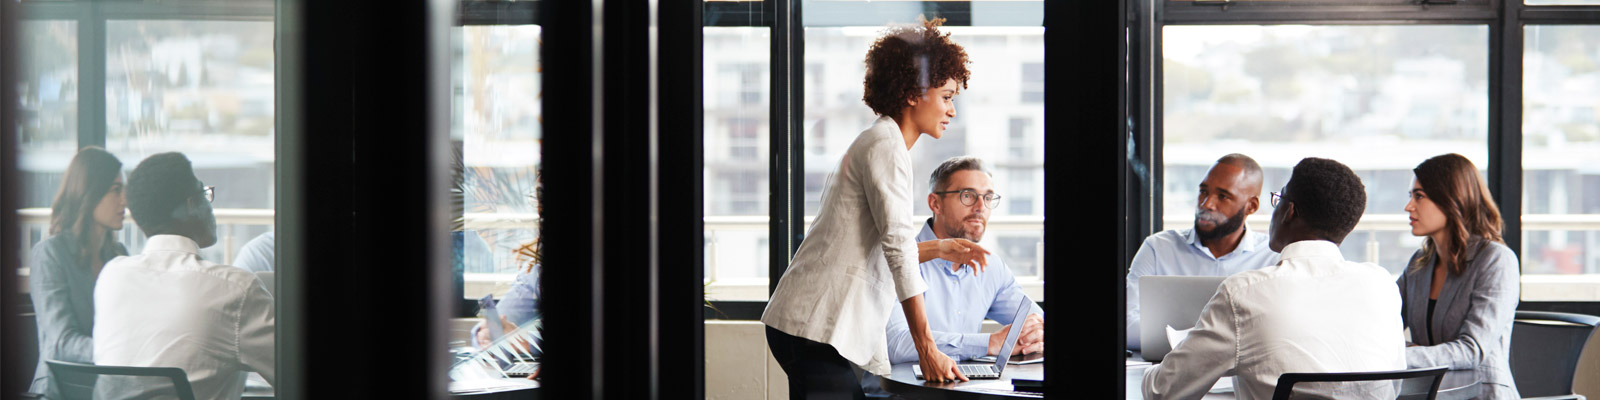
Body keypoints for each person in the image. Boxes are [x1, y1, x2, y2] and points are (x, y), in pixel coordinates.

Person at [761, 16, 989, 398]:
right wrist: (927, 349)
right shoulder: (886, 145)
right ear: (915, 92)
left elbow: (870, 245)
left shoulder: (881, 140)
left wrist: (939, 248)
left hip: (807, 324)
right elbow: (897, 250)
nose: (951, 110)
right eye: (947, 96)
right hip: (813, 325)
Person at [1142, 157, 1405, 400]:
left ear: (1289, 211)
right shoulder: (1382, 285)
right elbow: (1393, 385)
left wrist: (1146, 374)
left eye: (1277, 199)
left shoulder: (1244, 293)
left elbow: (1162, 392)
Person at [93, 153, 275, 400]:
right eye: (204, 194)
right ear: (191, 205)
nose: (210, 205)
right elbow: (300, 370)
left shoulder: (111, 277)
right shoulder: (235, 291)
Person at [861, 156, 1043, 395]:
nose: (980, 207)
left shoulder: (991, 267)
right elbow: (896, 344)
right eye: (968, 195)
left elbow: (1034, 318)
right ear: (935, 204)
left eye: (988, 198)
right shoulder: (895, 261)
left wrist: (1034, 333)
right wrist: (991, 343)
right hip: (899, 395)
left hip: (961, 392)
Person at [1125, 153, 1279, 350]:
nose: (1206, 204)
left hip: (1242, 378)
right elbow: (1126, 325)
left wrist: (1188, 342)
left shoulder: (1272, 256)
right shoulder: (1158, 248)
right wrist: (1217, 345)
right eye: (1203, 191)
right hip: (1169, 374)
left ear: (1252, 206)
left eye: (1223, 196)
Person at [1399, 153, 1520, 399]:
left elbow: (1471, 350)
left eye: (1419, 196)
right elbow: (1385, 323)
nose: (1409, 206)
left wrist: (1400, 354)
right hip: (1431, 393)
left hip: (1481, 394)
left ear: (1451, 199)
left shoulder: (1496, 260)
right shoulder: (1418, 264)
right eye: (1411, 196)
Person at [28, 147, 127, 399]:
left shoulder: (119, 255)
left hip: (108, 387)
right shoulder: (50, 254)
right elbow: (62, 341)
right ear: (89, 193)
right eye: (116, 190)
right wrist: (121, 351)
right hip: (60, 388)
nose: (124, 200)